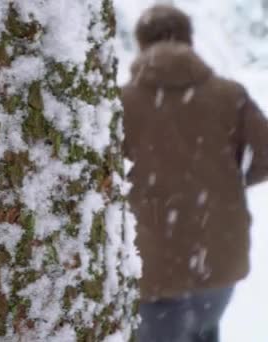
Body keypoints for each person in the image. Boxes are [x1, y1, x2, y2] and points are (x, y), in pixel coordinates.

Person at [121, 4, 268, 342]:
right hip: (218, 259)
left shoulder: (122, 103)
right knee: (204, 330)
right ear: (189, 39)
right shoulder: (229, 95)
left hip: (152, 264)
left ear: (142, 43)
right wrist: (229, 183)